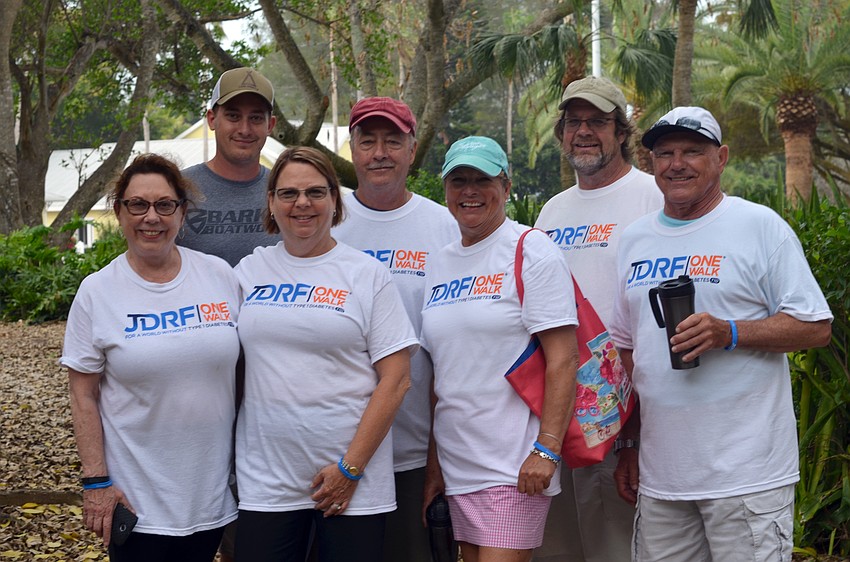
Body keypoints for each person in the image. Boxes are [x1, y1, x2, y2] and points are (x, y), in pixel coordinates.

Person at [609, 106, 833, 561]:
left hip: (747, 476)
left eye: (693, 151)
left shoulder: (759, 227)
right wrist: (629, 442)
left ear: (721, 158)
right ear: (651, 161)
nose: (677, 164)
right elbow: (627, 349)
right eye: (665, 152)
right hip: (663, 477)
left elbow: (815, 326)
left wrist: (728, 332)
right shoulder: (634, 240)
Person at [232, 146, 418, 562]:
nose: (302, 203)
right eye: (288, 193)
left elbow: (397, 378)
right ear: (271, 201)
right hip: (267, 480)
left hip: (353, 480)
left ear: (335, 200)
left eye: (316, 192)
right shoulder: (247, 272)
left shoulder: (366, 274)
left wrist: (350, 469)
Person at [61, 154, 241, 561]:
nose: (151, 217)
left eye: (164, 205)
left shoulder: (220, 277)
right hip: (136, 501)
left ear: (182, 212)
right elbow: (82, 395)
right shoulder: (97, 292)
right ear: (119, 212)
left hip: (210, 496)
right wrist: (95, 482)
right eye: (137, 205)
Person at [421, 136, 580, 562]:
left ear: (506, 187)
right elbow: (443, 374)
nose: (469, 191)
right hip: (458, 463)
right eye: (459, 181)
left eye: (482, 179)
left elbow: (565, 358)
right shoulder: (439, 262)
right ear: (446, 190)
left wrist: (546, 449)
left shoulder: (531, 249)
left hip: (515, 465)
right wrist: (435, 468)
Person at [533, 76, 662, 562]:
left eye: (597, 122)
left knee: (615, 548)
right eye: (573, 122)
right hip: (557, 411)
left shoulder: (652, 198)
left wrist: (633, 435)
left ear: (622, 131)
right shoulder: (551, 212)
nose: (583, 132)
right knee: (558, 548)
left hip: (622, 415)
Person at [332, 96, 459, 562]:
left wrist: (441, 453)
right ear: (352, 149)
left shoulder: (444, 226)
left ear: (411, 150)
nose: (379, 152)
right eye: (368, 141)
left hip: (414, 448)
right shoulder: (325, 220)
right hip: (332, 444)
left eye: (392, 141)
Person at [179, 67, 279, 266]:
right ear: (211, 119)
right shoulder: (178, 189)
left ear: (270, 125)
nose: (244, 129)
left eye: (256, 118)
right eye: (233, 116)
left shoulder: (288, 192)